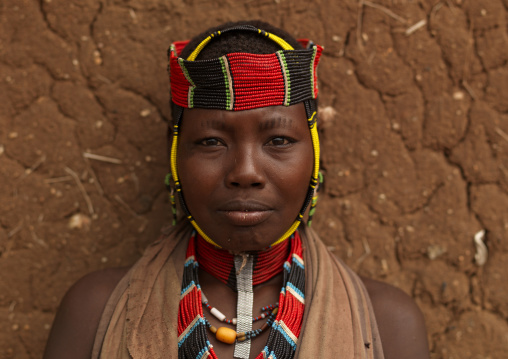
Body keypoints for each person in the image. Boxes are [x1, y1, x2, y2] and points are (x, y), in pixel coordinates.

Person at [44, 20, 429, 359]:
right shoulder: (95, 314)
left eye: (278, 140)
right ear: (173, 151)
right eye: (211, 142)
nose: (245, 173)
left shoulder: (386, 326)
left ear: (315, 152)